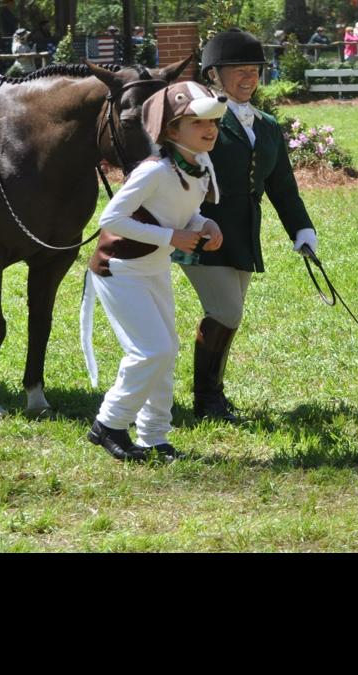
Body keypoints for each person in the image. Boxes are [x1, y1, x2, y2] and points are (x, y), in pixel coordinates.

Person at [82, 80, 227, 462]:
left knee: (167, 351)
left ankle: (153, 436)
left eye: (213, 121)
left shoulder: (200, 164)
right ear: (170, 130)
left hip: (154, 267)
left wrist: (202, 224)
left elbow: (181, 211)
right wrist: (171, 236)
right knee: (151, 351)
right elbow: (111, 217)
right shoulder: (155, 170)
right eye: (198, 122)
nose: (210, 129)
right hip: (120, 269)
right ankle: (109, 424)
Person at [181, 29, 317, 423]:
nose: (248, 78)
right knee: (226, 311)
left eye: (253, 70)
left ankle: (215, 396)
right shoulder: (199, 120)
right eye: (237, 70)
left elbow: (283, 187)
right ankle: (206, 401)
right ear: (213, 75)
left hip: (243, 234)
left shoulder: (267, 124)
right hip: (202, 231)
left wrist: (301, 229)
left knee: (230, 314)